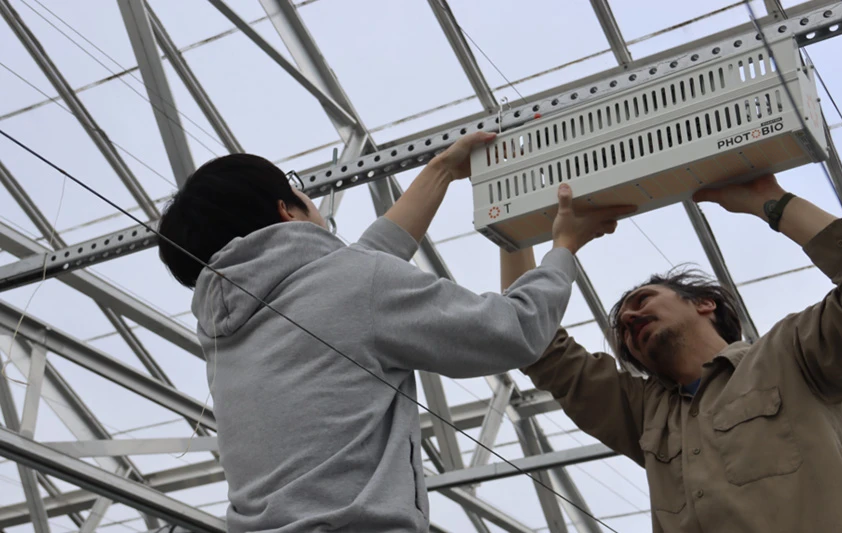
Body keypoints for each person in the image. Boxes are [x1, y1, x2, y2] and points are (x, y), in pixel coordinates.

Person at [156, 131, 635, 533]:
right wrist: (563, 247)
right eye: (301, 192)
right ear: (287, 211)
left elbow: (356, 272)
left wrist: (443, 170)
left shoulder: (223, 331)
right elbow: (515, 331)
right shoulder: (350, 285)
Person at [500, 174, 842, 533]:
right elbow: (531, 342)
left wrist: (769, 200)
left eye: (643, 300)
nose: (628, 317)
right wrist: (511, 229)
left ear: (704, 303)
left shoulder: (791, 356)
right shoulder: (645, 413)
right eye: (622, 329)